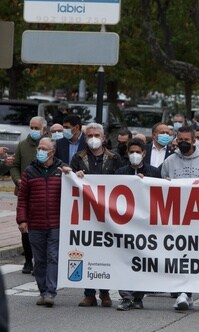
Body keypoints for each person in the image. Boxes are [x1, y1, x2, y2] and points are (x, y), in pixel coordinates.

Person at [161, 126, 199, 310]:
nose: (183, 142)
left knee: (192, 255)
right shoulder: (169, 161)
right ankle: (181, 291)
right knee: (177, 254)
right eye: (180, 139)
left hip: (197, 217)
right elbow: (161, 187)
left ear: (194, 141)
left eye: (187, 139)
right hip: (175, 216)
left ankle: (186, 292)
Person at [70, 123, 121, 307]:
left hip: (107, 214)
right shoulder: (78, 158)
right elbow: (70, 179)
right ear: (85, 138)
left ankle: (105, 292)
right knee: (88, 251)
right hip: (85, 213)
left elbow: (122, 181)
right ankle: (89, 293)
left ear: (104, 137)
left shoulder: (114, 158)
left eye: (97, 134)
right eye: (90, 135)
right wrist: (76, 175)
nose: (93, 138)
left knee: (106, 252)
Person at [16, 138, 69, 307]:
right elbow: (22, 198)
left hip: (56, 223)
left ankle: (50, 292)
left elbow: (75, 188)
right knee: (39, 260)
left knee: (53, 257)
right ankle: (43, 290)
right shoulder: (29, 171)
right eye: (39, 148)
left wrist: (74, 174)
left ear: (52, 152)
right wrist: (22, 219)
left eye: (44, 148)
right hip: (36, 224)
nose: (40, 151)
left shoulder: (62, 170)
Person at [114, 138, 161, 311]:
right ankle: (126, 297)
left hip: (146, 225)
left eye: (138, 152)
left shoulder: (153, 172)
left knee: (142, 261)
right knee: (124, 259)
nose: (135, 155)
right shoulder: (120, 173)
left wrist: (146, 182)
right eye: (131, 152)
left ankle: (138, 296)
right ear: (127, 154)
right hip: (124, 224)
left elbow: (161, 194)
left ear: (144, 153)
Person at [10, 116, 47, 274]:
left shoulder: (49, 145)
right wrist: (18, 180)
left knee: (42, 226)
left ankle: (41, 260)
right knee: (24, 225)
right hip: (25, 191)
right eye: (31, 127)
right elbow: (14, 166)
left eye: (36, 128)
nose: (33, 130)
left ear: (44, 129)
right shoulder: (22, 145)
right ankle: (28, 260)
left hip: (43, 192)